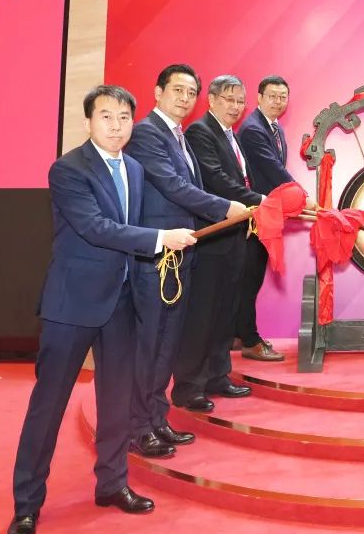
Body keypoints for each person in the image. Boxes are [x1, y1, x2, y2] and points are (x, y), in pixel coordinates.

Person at [8, 86, 197, 534]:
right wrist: (160, 239)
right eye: (106, 116)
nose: (116, 126)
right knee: (48, 406)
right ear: (89, 121)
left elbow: (126, 234)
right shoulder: (68, 169)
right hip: (72, 304)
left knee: (116, 401)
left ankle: (112, 484)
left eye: (124, 117)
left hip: (120, 302)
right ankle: (27, 505)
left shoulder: (133, 167)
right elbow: (96, 228)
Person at [125, 64, 246, 458]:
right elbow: (173, 186)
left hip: (182, 256)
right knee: (150, 345)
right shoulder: (147, 133)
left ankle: (157, 419)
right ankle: (137, 427)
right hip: (157, 257)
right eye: (177, 90)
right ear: (158, 92)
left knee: (168, 344)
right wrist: (226, 207)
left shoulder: (179, 136)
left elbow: (188, 185)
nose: (184, 98)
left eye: (190, 92)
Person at [171, 76, 264, 412]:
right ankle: (189, 386)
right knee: (203, 316)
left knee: (225, 312)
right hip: (211, 239)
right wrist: (262, 201)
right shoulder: (200, 132)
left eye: (240, 101)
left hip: (234, 236)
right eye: (229, 99)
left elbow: (239, 178)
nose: (235, 107)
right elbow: (216, 181)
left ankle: (217, 375)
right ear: (210, 99)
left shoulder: (231, 135)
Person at [234, 75, 306, 361]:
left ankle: (237, 333)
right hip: (254, 214)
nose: (278, 101)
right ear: (259, 98)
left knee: (250, 277)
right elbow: (274, 169)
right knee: (249, 278)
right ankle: (249, 340)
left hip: (267, 214)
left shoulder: (274, 128)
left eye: (282, 97)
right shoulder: (253, 129)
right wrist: (302, 195)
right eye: (272, 96)